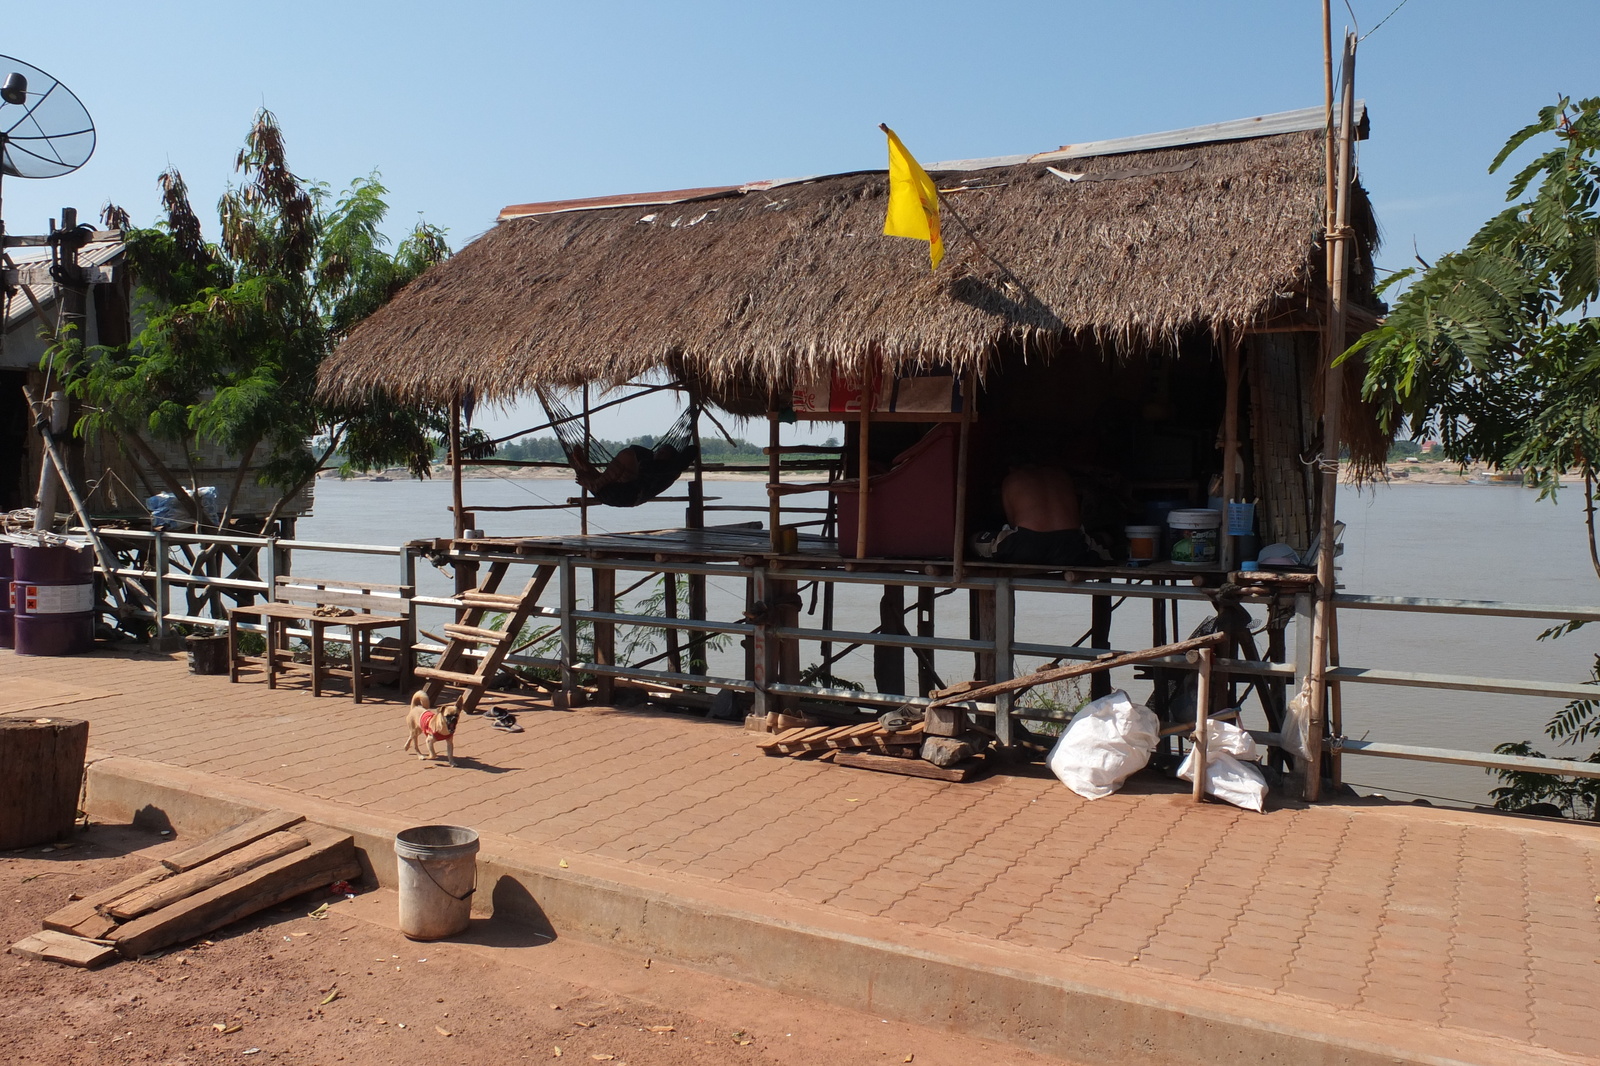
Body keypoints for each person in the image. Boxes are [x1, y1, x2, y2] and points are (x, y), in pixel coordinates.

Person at [977, 463, 1103, 566]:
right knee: (1102, 543)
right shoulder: (1061, 475)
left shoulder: (1013, 478)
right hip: (1071, 546)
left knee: (975, 540)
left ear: (1011, 466)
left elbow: (1012, 523)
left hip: (1027, 546)